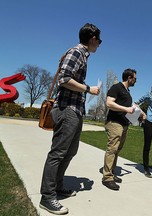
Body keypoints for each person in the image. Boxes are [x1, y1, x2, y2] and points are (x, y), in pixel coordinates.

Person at [39, 23, 101, 215]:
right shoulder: (77, 52)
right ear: (92, 38)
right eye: (99, 40)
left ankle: (57, 185)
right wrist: (88, 88)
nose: (99, 44)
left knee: (70, 150)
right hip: (67, 109)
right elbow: (64, 79)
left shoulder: (80, 54)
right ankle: (47, 197)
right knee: (58, 152)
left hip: (75, 110)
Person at [102, 68, 137, 191]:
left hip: (124, 124)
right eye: (135, 79)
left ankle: (111, 172)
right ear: (129, 78)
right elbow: (109, 103)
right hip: (114, 123)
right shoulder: (116, 87)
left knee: (117, 149)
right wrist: (126, 109)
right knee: (112, 148)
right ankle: (107, 178)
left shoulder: (127, 92)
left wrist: (137, 111)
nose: (135, 81)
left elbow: (127, 108)